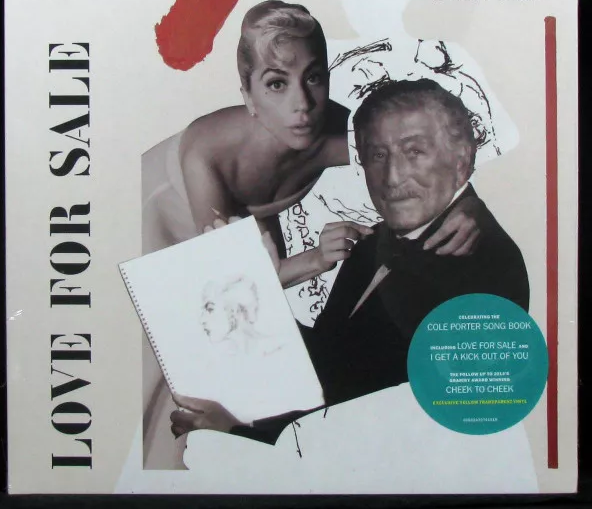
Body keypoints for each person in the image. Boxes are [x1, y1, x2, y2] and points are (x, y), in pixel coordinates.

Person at [142, 1, 481, 468]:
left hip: (245, 238)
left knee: (247, 367)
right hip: (169, 211)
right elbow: (220, 292)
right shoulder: (207, 153)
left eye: (314, 78)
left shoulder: (339, 131)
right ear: (247, 94)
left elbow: (431, 151)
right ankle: (163, 475)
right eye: (276, 83)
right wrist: (315, 260)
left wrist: (467, 201)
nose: (301, 105)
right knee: (172, 363)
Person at [171, 78, 529, 443]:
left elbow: (379, 430)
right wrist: (256, 290)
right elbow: (332, 357)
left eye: (415, 152)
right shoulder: (376, 239)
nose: (392, 177)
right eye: (378, 155)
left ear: (462, 159)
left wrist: (236, 433)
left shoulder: (482, 266)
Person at [200, 275, 281, 356]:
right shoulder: (233, 357)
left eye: (210, 309)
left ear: (235, 310)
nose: (202, 320)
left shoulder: (277, 349)